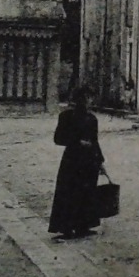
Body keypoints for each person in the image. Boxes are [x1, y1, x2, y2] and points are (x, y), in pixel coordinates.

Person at [47, 86, 105, 240]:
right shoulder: (66, 117)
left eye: (90, 98)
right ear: (77, 100)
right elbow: (58, 139)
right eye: (85, 98)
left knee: (87, 193)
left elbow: (95, 141)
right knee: (69, 192)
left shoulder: (92, 119)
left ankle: (83, 226)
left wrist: (100, 161)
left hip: (89, 161)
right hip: (72, 160)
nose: (88, 102)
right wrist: (77, 142)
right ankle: (66, 228)